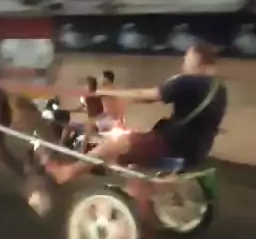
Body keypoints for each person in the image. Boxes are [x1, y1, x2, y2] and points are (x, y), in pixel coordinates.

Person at [44, 40, 227, 185]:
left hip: (173, 144)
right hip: (199, 151)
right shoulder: (219, 89)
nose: (183, 65)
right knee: (135, 160)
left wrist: (108, 93)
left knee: (115, 144)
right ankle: (139, 191)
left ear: (198, 63)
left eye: (186, 60)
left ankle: (67, 173)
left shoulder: (188, 81)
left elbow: (146, 95)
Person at [61, 75, 104, 152]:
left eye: (86, 85)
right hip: (88, 122)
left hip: (96, 123)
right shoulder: (86, 97)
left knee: (88, 131)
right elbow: (83, 107)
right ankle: (62, 145)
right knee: (69, 125)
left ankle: (82, 152)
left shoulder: (94, 97)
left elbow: (94, 113)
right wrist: (71, 111)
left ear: (91, 86)